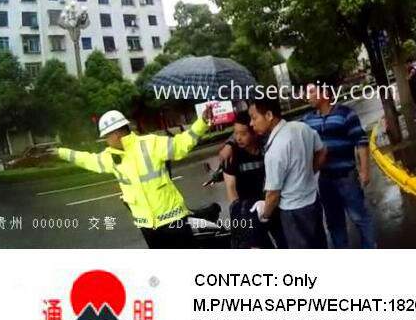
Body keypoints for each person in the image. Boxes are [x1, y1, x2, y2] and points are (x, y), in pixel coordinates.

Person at [52, 107, 212, 248]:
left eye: (107, 136)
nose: (107, 141)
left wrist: (202, 123)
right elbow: (88, 159)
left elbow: (180, 145)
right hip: (147, 226)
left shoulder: (150, 143)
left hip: (172, 219)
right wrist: (61, 153)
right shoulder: (111, 157)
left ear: (116, 134)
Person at [303, 82, 376, 249]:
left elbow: (361, 142)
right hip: (325, 180)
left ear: (325, 92)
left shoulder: (346, 114)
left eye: (312, 92)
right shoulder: (308, 120)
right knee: (334, 223)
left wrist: (365, 171)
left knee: (359, 217)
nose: (308, 96)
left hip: (346, 177)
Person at [248, 98, 328, 249]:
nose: (251, 124)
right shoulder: (302, 128)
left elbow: (273, 194)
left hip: (293, 211)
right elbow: (322, 152)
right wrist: (308, 174)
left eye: (254, 118)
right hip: (313, 201)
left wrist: (264, 216)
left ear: (269, 115)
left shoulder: (275, 150)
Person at [222, 111, 286, 249]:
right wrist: (238, 213)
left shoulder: (267, 148)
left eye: (243, 134)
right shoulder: (233, 156)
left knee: (284, 242)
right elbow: (230, 187)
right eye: (236, 134)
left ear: (255, 132)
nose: (238, 138)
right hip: (248, 210)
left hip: (271, 204)